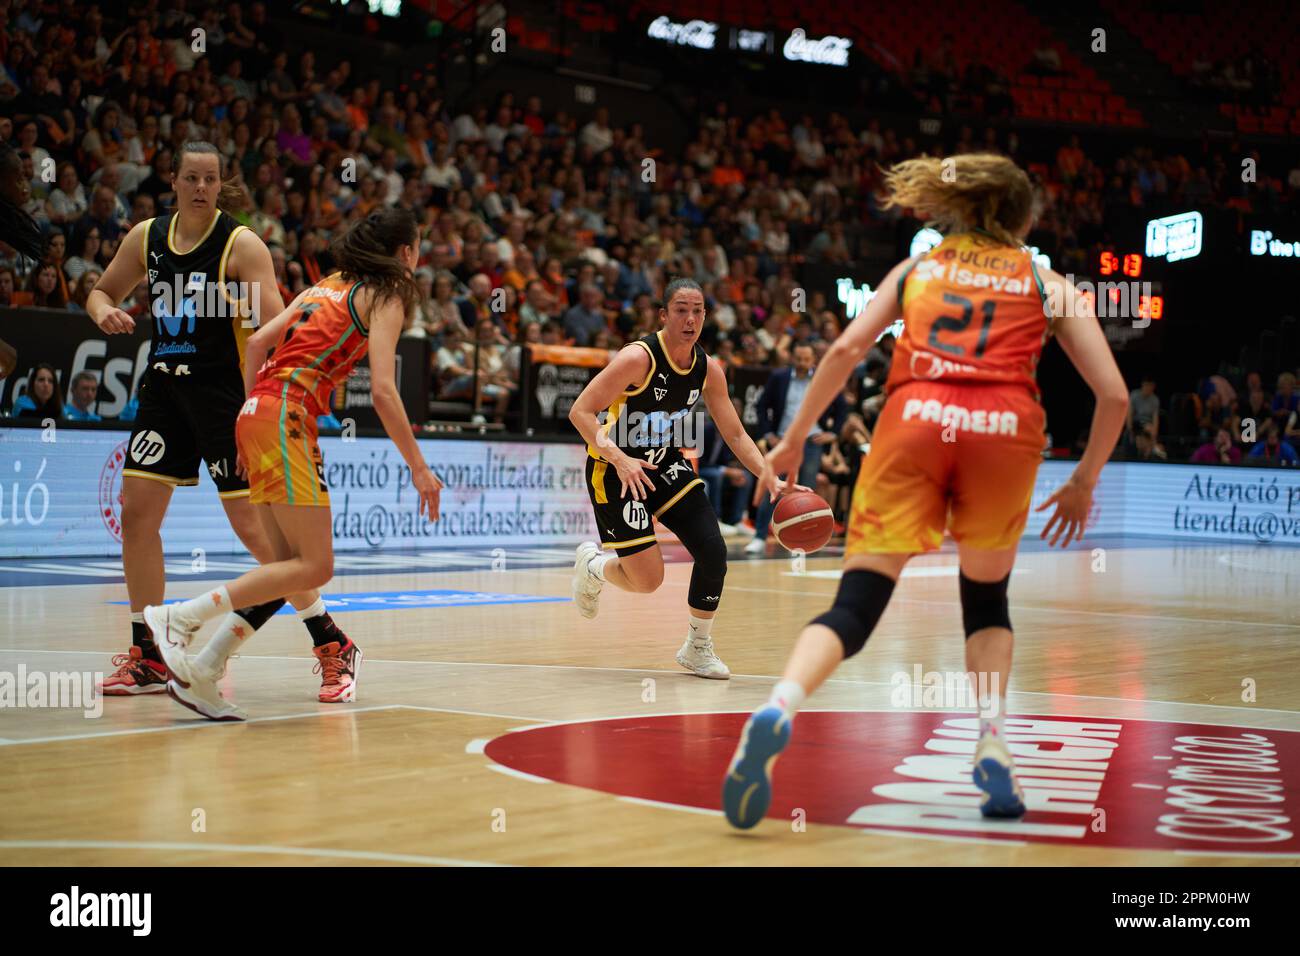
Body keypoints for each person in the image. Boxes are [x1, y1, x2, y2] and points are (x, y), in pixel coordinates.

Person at [721, 154, 1129, 828]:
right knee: (986, 600)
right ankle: (992, 737)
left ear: (963, 210)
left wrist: (795, 437)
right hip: (1003, 429)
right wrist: (1084, 479)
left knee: (857, 604)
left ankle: (779, 707)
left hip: (915, 421)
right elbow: (1113, 394)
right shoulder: (1047, 280)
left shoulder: (918, 269)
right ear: (1023, 218)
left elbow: (847, 350)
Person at [144, 206, 444, 720]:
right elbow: (383, 391)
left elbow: (258, 342)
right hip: (289, 414)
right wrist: (418, 465)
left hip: (256, 409)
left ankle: (206, 671)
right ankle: (179, 618)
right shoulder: (389, 292)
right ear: (405, 252)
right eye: (417, 248)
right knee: (316, 565)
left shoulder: (325, 284)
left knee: (283, 569)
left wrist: (247, 409)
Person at [85, 141, 354, 701]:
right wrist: (103, 310)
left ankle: (330, 640)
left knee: (258, 536)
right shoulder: (146, 237)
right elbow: (101, 289)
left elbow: (277, 331)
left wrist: (260, 405)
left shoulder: (241, 244)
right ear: (174, 182)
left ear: (220, 183)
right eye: (191, 178)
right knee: (136, 515)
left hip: (226, 398)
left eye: (210, 178)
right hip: (164, 392)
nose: (201, 187)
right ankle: (149, 654)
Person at [568, 278, 773, 679]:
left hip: (665, 463)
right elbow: (580, 411)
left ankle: (698, 647)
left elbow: (734, 433)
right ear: (663, 315)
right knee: (648, 581)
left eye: (697, 310)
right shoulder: (637, 358)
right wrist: (619, 457)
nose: (690, 318)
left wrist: (771, 478)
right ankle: (593, 566)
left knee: (713, 551)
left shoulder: (708, 369)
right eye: (681, 309)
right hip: (615, 469)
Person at [745, 342, 846, 555]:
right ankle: (759, 537)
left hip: (810, 442)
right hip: (782, 441)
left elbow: (842, 406)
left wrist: (833, 433)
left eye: (806, 359)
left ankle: (802, 540)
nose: (802, 363)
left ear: (813, 360)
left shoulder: (822, 377)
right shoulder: (779, 377)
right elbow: (761, 406)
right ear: (792, 358)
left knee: (806, 493)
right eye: (798, 359)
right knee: (772, 490)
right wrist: (767, 434)